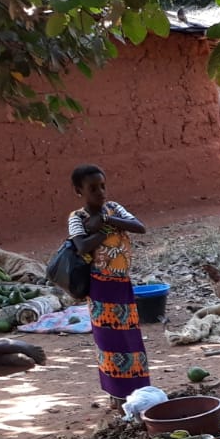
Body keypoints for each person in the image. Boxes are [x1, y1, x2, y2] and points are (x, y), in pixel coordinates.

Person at [67, 164, 149, 406]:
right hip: (100, 287)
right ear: (79, 191)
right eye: (93, 188)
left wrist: (105, 220)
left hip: (122, 283)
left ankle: (138, 393)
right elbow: (82, 246)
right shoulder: (77, 218)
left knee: (131, 341)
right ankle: (117, 395)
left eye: (102, 186)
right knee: (110, 343)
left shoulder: (114, 209)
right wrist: (104, 232)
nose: (100, 192)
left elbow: (140, 227)